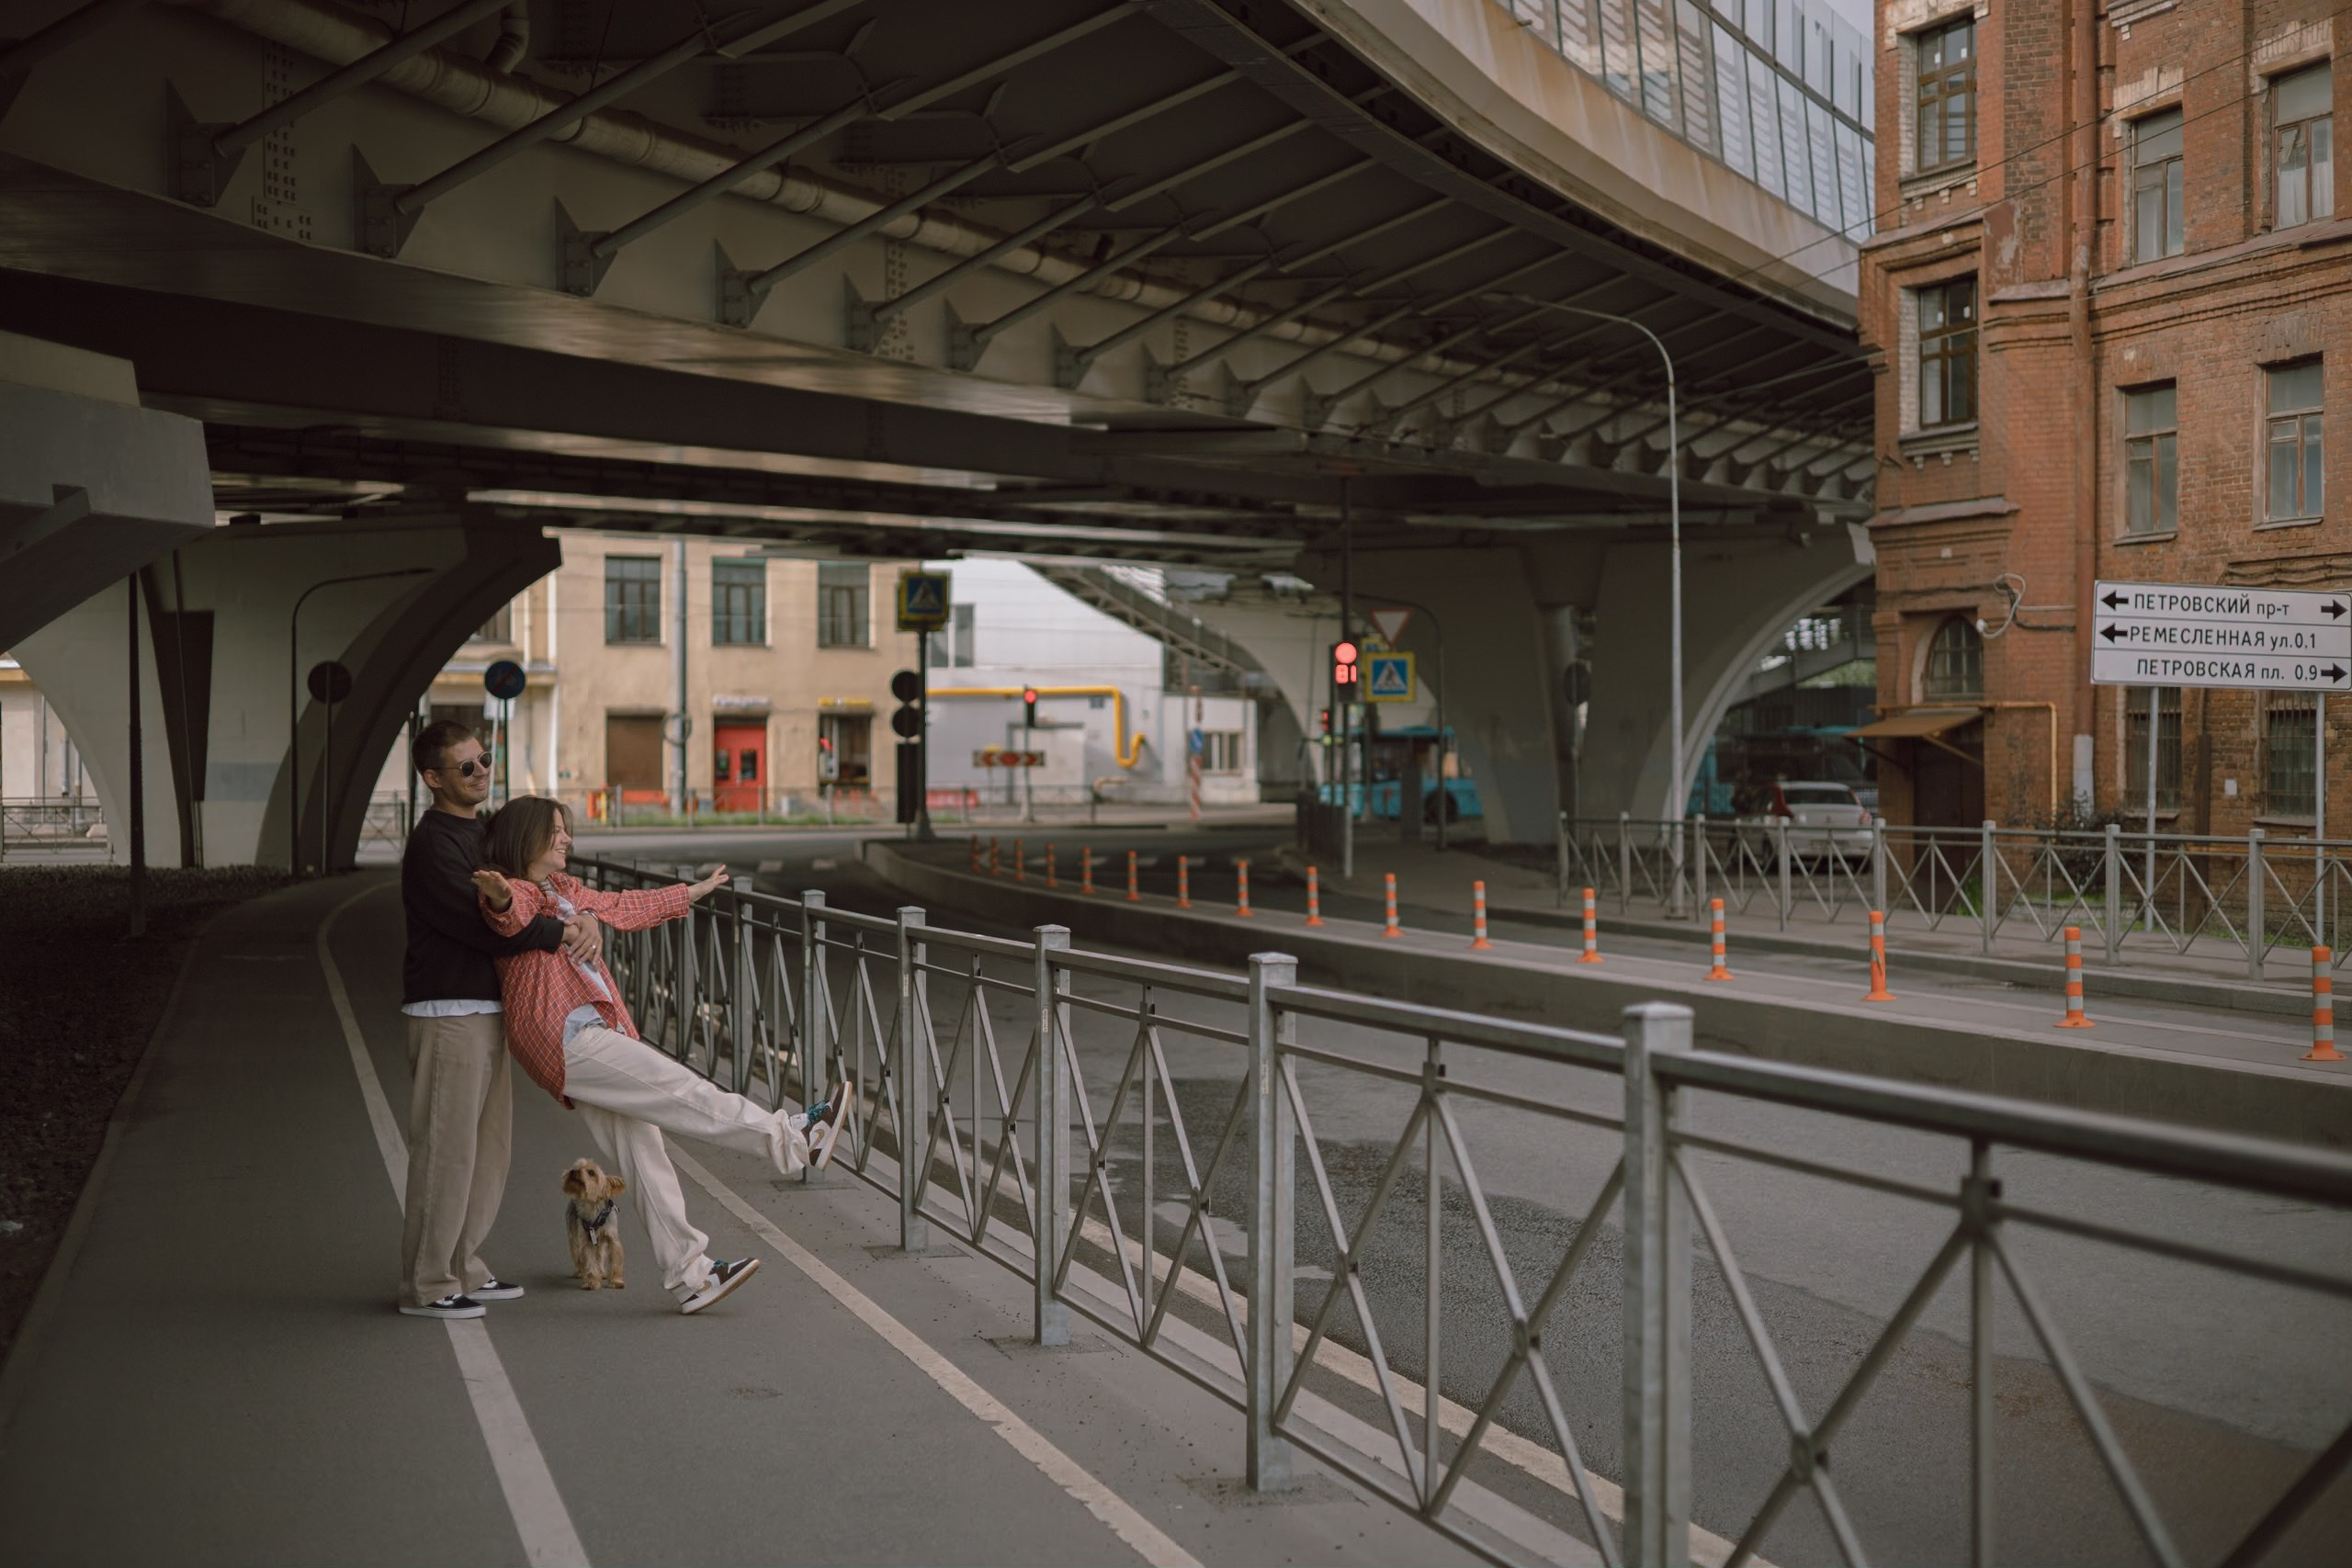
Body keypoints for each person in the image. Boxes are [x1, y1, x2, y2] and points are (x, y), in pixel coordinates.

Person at [469, 795, 848, 1315]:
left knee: (644, 1152)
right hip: (566, 1038)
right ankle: (794, 1138)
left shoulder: (564, 889)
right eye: (556, 831)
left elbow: (623, 906)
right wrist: (499, 896)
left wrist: (690, 893)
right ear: (526, 836)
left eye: (566, 830)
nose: (567, 839)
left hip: (585, 1033)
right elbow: (510, 915)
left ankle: (692, 1277)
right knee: (683, 1091)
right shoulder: (521, 892)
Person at [398, 721, 602, 1321]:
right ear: (433, 778)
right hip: (449, 1013)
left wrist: (585, 913)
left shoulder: (485, 833)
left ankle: (464, 1266)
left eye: (484, 758)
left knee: (488, 1152)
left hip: (489, 1011)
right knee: (446, 1152)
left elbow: (542, 881)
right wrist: (559, 932)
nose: (481, 771)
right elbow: (484, 924)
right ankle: (428, 1284)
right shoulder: (434, 845)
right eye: (466, 766)